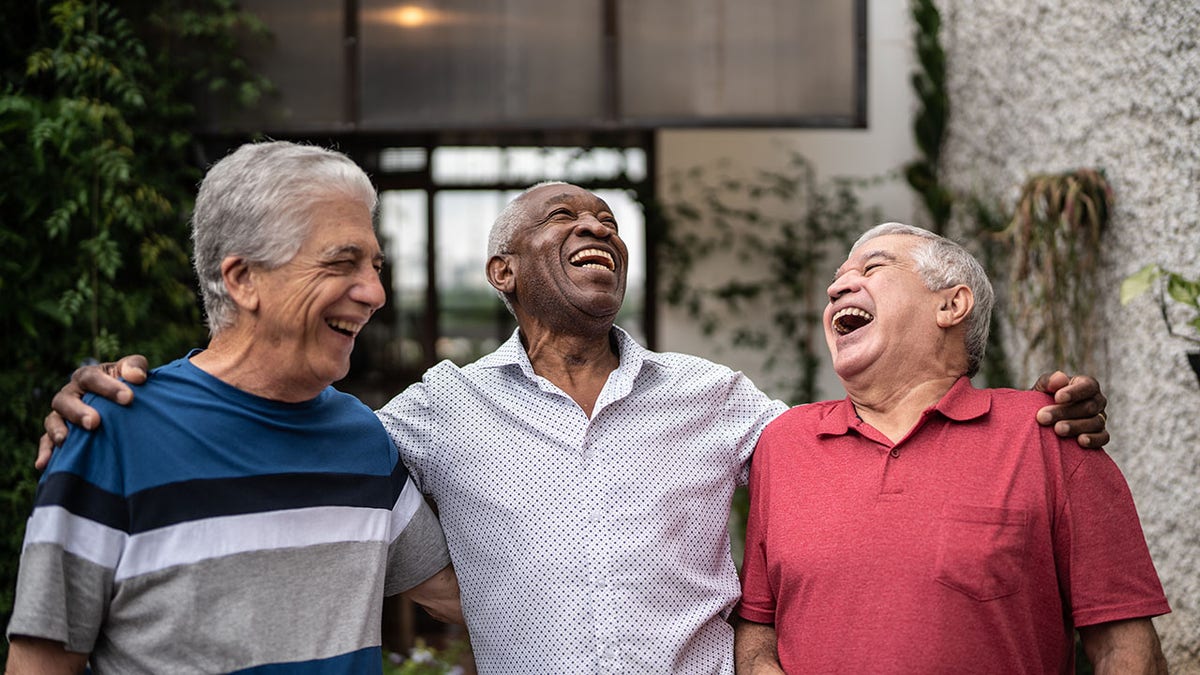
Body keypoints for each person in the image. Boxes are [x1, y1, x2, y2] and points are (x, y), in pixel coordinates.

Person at [38, 184, 1110, 673]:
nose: (595, 228)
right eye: (564, 217)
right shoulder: (431, 415)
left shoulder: (718, 397)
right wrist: (116, 394)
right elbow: (290, 422)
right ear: (502, 274)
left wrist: (1031, 418)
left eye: (607, 221)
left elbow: (880, 442)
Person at [6, 141, 462, 674]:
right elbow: (39, 665)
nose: (375, 293)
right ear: (243, 279)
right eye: (343, 262)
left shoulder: (361, 437)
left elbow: (464, 597)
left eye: (375, 265)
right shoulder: (109, 434)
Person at [736, 223, 1169, 674]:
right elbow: (757, 624)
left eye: (873, 267)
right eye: (838, 276)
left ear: (951, 304)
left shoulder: (1050, 434)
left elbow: (1128, 651)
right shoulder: (784, 442)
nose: (837, 287)